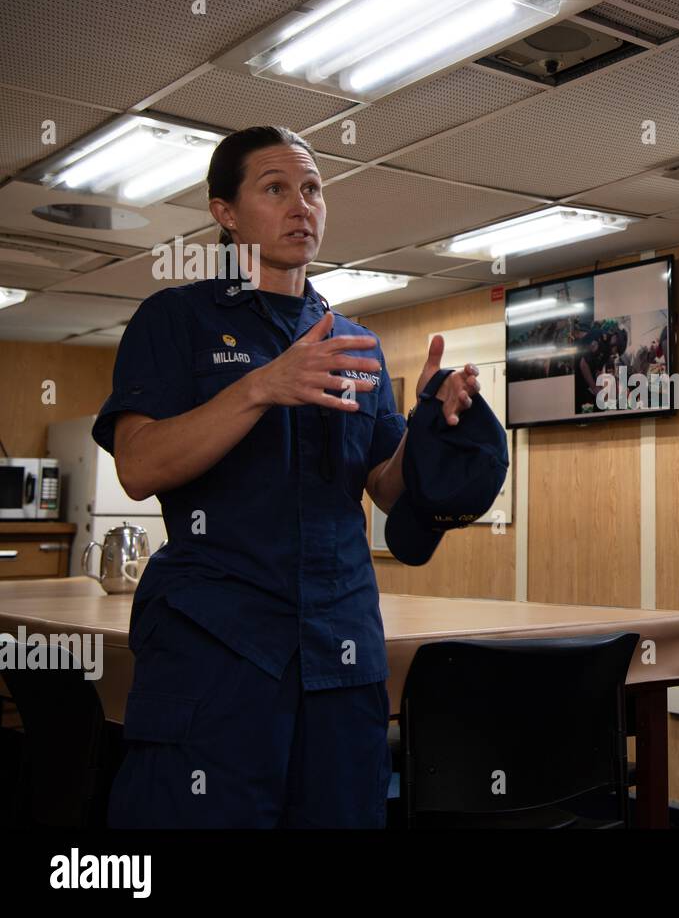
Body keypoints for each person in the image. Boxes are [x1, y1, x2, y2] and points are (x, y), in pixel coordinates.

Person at [94, 125, 480, 827]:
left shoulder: (352, 341)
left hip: (341, 656)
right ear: (226, 213)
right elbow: (139, 466)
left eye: (312, 190)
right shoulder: (173, 320)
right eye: (276, 189)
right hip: (217, 659)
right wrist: (260, 386)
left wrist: (431, 426)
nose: (302, 206)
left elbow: (385, 486)